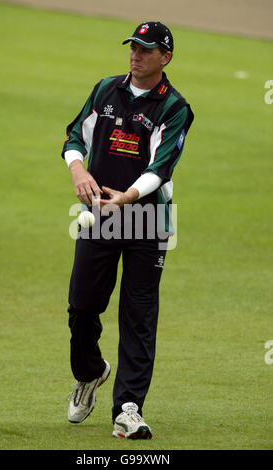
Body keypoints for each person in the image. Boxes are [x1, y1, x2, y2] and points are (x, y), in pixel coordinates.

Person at [61, 21, 194, 439]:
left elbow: (161, 167)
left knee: (138, 313)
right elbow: (74, 136)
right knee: (82, 306)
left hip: (147, 216)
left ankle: (129, 408)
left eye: (146, 49)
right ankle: (90, 372)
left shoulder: (174, 107)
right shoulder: (105, 89)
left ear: (165, 57)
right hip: (101, 214)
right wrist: (78, 169)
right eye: (133, 47)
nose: (135, 55)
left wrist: (127, 197)